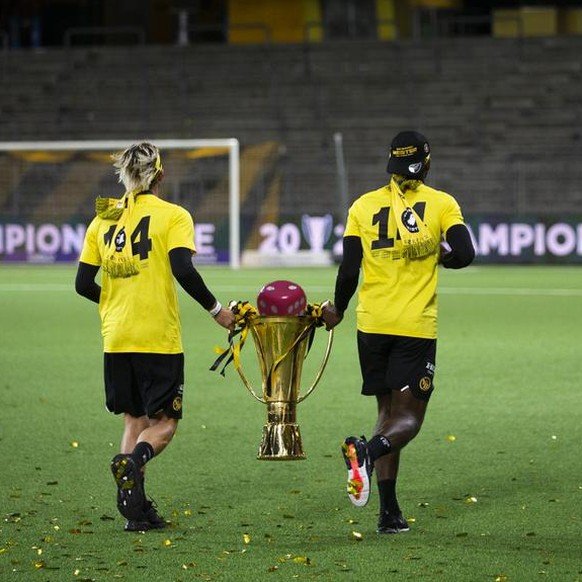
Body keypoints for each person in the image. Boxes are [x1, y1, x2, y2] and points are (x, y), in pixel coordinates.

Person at [75, 142, 234, 532]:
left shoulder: (103, 219)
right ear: (160, 175)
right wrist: (217, 311)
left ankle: (136, 511)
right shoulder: (174, 216)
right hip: (156, 336)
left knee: (134, 417)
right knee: (164, 423)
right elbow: (182, 267)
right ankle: (134, 463)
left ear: (125, 176)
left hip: (116, 336)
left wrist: (112, 301)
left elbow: (82, 284)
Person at [322, 130, 475, 534]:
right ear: (426, 163)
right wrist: (443, 258)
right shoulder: (442, 204)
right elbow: (466, 253)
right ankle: (365, 454)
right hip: (413, 327)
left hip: (371, 325)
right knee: (409, 420)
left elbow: (348, 269)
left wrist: (337, 308)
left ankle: (389, 514)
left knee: (386, 414)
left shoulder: (362, 205)